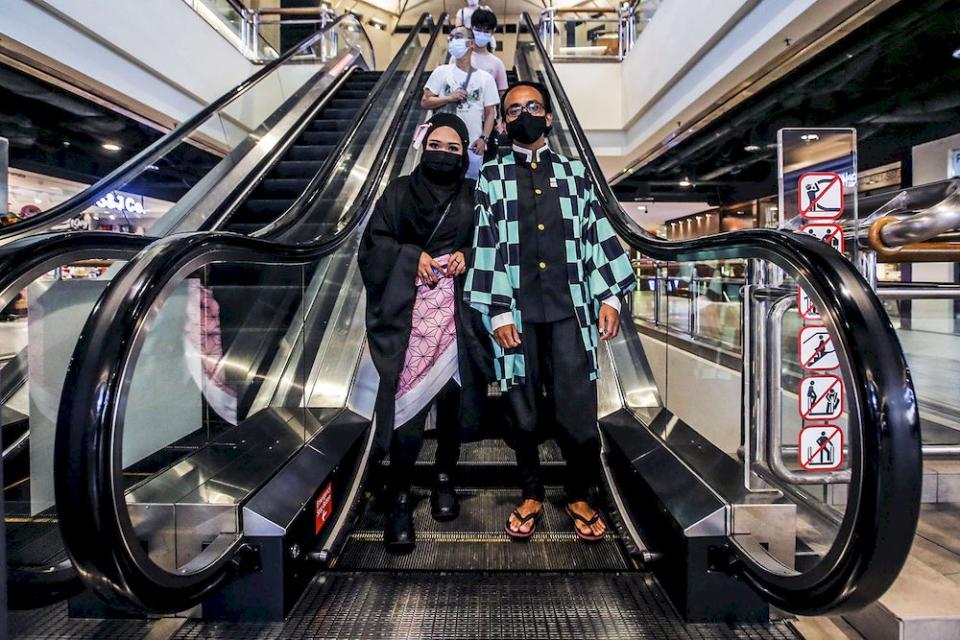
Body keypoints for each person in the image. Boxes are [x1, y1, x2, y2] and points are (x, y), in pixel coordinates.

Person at [464, 82, 636, 543]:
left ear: (550, 117)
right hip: (516, 313)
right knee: (522, 411)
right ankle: (532, 493)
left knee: (578, 410)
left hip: (571, 312)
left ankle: (579, 494)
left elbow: (597, 232)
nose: (525, 114)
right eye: (514, 109)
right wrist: (497, 311)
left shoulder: (576, 172)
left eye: (533, 107)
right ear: (502, 123)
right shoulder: (492, 175)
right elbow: (486, 243)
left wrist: (610, 297)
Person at [359, 114, 490, 554]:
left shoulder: (475, 194)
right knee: (407, 412)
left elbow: (493, 242)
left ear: (466, 153)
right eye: (437, 144)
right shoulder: (398, 191)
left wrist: (468, 256)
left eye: (454, 148)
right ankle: (399, 494)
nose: (444, 153)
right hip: (409, 317)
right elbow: (374, 244)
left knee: (452, 404)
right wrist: (410, 256)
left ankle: (444, 477)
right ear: (423, 145)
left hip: (460, 316)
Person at [421, 26, 499, 179]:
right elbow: (425, 102)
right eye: (450, 38)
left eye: (457, 37)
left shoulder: (485, 78)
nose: (452, 41)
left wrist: (484, 139)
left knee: (470, 190)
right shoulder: (441, 72)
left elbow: (490, 113)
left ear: (470, 43)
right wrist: (449, 98)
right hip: (443, 146)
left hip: (472, 147)